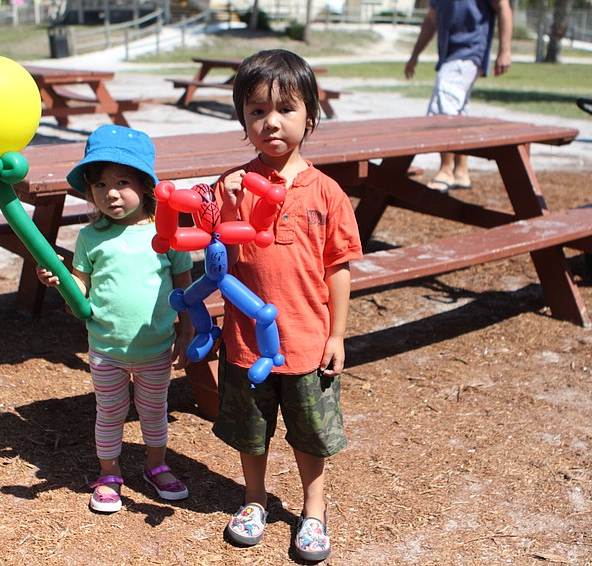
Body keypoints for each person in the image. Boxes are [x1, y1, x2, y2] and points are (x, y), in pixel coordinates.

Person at [213, 49, 362, 562]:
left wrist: (336, 335)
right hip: (244, 343)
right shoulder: (231, 184)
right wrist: (229, 205)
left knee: (310, 434)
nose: (270, 121)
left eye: (286, 109)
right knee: (251, 432)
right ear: (243, 120)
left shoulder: (327, 192)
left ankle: (313, 508)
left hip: (306, 342)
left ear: (311, 118)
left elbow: (338, 268)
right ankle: (253, 499)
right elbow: (219, 250)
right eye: (256, 111)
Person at [36, 125, 195, 513]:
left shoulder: (166, 233)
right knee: (109, 413)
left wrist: (187, 331)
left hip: (155, 347)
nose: (111, 193)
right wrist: (59, 279)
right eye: (101, 184)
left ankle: (155, 465)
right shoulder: (91, 237)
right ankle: (109, 474)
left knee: (154, 411)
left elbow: (186, 288)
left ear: (145, 186)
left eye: (123, 181)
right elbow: (80, 286)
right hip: (106, 349)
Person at [405, 0, 513, 193]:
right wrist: (415, 55)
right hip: (450, 55)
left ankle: (446, 170)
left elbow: (503, 6)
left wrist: (505, 50)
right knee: (458, 113)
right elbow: (431, 20)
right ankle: (461, 171)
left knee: (443, 108)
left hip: (470, 51)